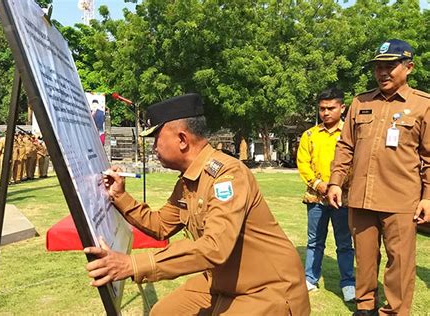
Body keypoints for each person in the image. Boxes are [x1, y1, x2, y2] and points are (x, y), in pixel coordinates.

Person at [84, 93, 310, 315]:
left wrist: (132, 265)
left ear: (182, 139)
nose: (153, 148)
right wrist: (120, 195)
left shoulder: (227, 176)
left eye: (156, 139)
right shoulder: (189, 179)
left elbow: (214, 247)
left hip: (267, 288)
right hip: (222, 281)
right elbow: (161, 224)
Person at [327, 39, 430, 316]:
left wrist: (428, 198)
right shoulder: (361, 102)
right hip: (361, 197)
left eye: (390, 66)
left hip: (401, 199)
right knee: (365, 257)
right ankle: (365, 307)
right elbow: (345, 145)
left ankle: (395, 311)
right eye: (378, 67)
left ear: (409, 67)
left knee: (400, 262)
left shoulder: (423, 106)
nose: (382, 73)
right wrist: (336, 181)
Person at [296, 88, 355, 301]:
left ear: (342, 108)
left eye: (331, 108)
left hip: (343, 198)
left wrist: (338, 185)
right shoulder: (310, 135)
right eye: (322, 109)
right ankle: (310, 278)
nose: (326, 112)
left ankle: (348, 282)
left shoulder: (351, 135)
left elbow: (355, 163)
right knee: (314, 241)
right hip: (316, 197)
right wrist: (319, 184)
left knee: (344, 243)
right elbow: (302, 163)